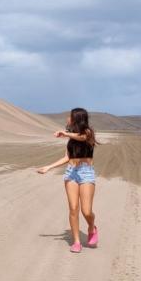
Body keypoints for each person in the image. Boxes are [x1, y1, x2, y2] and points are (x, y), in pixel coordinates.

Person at [37, 108, 98, 254]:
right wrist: (49, 167)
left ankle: (92, 227)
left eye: (70, 116)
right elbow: (67, 158)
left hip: (86, 173)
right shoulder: (71, 138)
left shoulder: (88, 133)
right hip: (71, 173)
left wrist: (65, 134)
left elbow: (82, 137)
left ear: (77, 118)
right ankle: (77, 242)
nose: (67, 118)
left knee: (86, 211)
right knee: (73, 208)